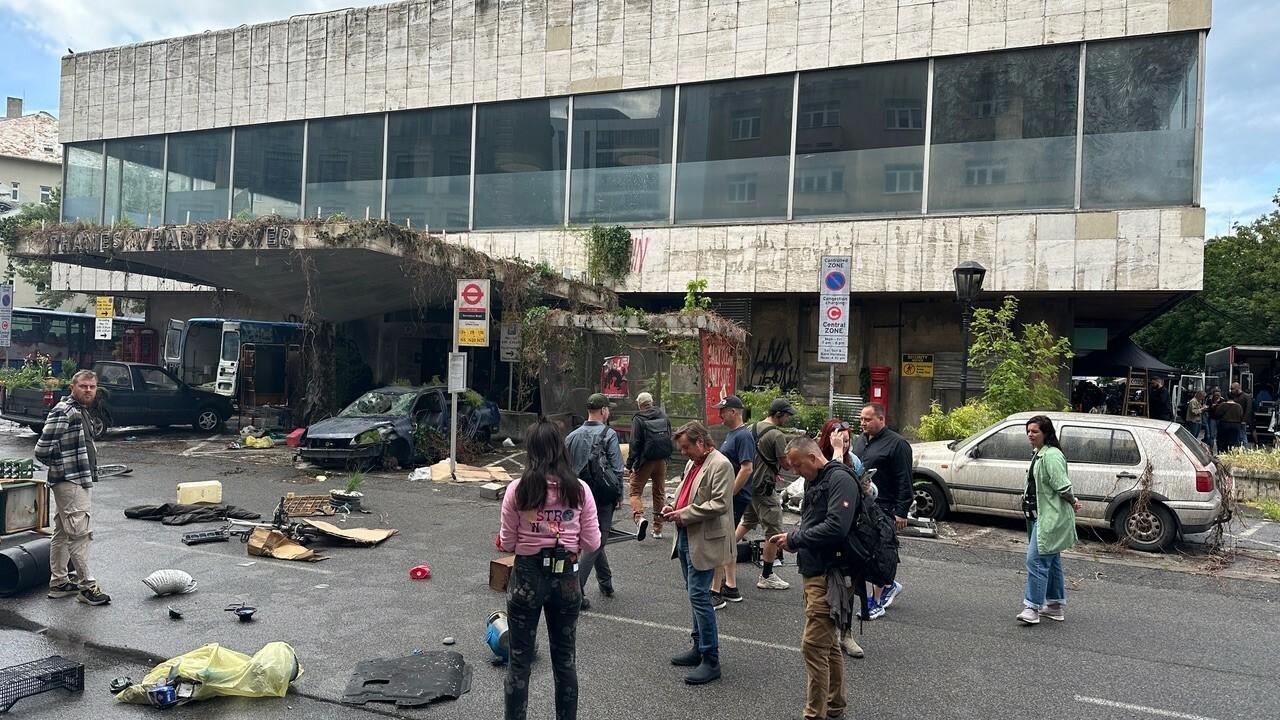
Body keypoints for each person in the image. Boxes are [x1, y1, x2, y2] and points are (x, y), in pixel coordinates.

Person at [499, 419, 601, 720]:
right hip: (566, 580)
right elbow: (592, 542)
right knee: (565, 661)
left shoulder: (518, 490)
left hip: (526, 580)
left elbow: (508, 542)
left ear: (531, 450)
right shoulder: (579, 490)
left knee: (519, 662)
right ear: (561, 449)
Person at [769, 437, 859, 720]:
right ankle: (835, 704)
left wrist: (795, 539)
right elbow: (814, 521)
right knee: (827, 644)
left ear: (812, 457)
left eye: (797, 466)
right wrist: (793, 539)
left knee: (813, 645)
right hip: (814, 571)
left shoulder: (840, 479)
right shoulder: (815, 479)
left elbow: (836, 527)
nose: (795, 472)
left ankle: (813, 714)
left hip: (831, 575)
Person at [661, 421, 735, 685]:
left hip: (704, 538)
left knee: (699, 596)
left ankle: (711, 659)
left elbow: (720, 503)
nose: (683, 453)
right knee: (694, 595)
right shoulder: (694, 462)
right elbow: (685, 491)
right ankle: (698, 647)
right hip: (685, 535)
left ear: (700, 442)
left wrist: (683, 513)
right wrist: (672, 506)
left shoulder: (721, 464)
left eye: (686, 447)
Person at [34, 370, 111, 606]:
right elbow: (42, 450)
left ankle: (59, 582)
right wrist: (63, 467)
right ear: (72, 387)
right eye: (83, 386)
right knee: (80, 535)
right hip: (71, 482)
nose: (88, 390)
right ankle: (87, 587)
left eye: (92, 387)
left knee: (63, 532)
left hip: (77, 480)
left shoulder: (81, 410)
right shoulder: (64, 410)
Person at [1018, 415, 1082, 625]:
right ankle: (1054, 606)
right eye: (1028, 431)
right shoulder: (1040, 453)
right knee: (1051, 560)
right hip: (1040, 515)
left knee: (1036, 560)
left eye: (1035, 431)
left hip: (1050, 517)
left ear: (1046, 433)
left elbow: (1062, 486)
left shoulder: (1052, 456)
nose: (1030, 435)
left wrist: (1073, 501)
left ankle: (1032, 608)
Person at [850, 402, 911, 619]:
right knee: (862, 550)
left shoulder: (898, 444)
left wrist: (901, 511)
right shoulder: (860, 440)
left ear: (881, 419)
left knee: (881, 552)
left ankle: (876, 602)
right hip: (863, 505)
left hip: (886, 508)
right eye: (861, 419)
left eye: (867, 419)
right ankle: (888, 584)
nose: (863, 423)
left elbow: (905, 479)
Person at [566, 393, 624, 610]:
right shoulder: (609, 434)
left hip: (576, 493)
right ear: (603, 410)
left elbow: (563, 467)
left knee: (594, 536)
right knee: (598, 538)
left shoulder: (572, 436)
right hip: (601, 495)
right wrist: (619, 495)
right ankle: (574, 590)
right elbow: (617, 468)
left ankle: (605, 582)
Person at [817, 418, 867, 659]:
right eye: (840, 440)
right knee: (825, 588)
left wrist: (867, 488)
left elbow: (869, 490)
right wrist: (836, 453)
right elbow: (830, 485)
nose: (844, 445)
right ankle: (827, 634)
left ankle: (846, 634)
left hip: (850, 534)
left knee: (849, 585)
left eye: (847, 441)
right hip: (825, 533)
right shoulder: (819, 459)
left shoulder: (853, 461)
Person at [738, 397, 796, 591]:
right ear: (779, 414)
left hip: (748, 485)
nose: (788, 419)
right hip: (765, 489)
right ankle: (767, 575)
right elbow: (786, 464)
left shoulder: (751, 428)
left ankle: (720, 555)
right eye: (787, 415)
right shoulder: (776, 435)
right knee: (774, 532)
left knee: (747, 522)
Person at [710, 395, 752, 609]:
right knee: (727, 541)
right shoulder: (733, 434)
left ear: (734, 411)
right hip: (732, 497)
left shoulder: (743, 435)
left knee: (721, 542)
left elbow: (747, 468)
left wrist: (730, 494)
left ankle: (715, 592)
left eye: (723, 411)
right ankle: (731, 586)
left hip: (735, 498)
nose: (720, 414)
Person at [626, 391, 673, 540]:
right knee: (659, 493)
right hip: (661, 460)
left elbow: (634, 443)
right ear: (651, 402)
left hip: (644, 461)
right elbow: (669, 436)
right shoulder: (663, 416)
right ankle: (658, 529)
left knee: (635, 492)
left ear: (639, 404)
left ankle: (639, 518)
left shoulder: (638, 419)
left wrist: (629, 464)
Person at [1230, 382, 1255, 447]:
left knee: (1242, 436)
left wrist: (1244, 420)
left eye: (1232, 389)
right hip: (1234, 419)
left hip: (1241, 419)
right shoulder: (1234, 396)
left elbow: (1248, 409)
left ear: (1237, 388)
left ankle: (1245, 449)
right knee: (1237, 436)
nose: (1231, 390)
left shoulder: (1246, 396)